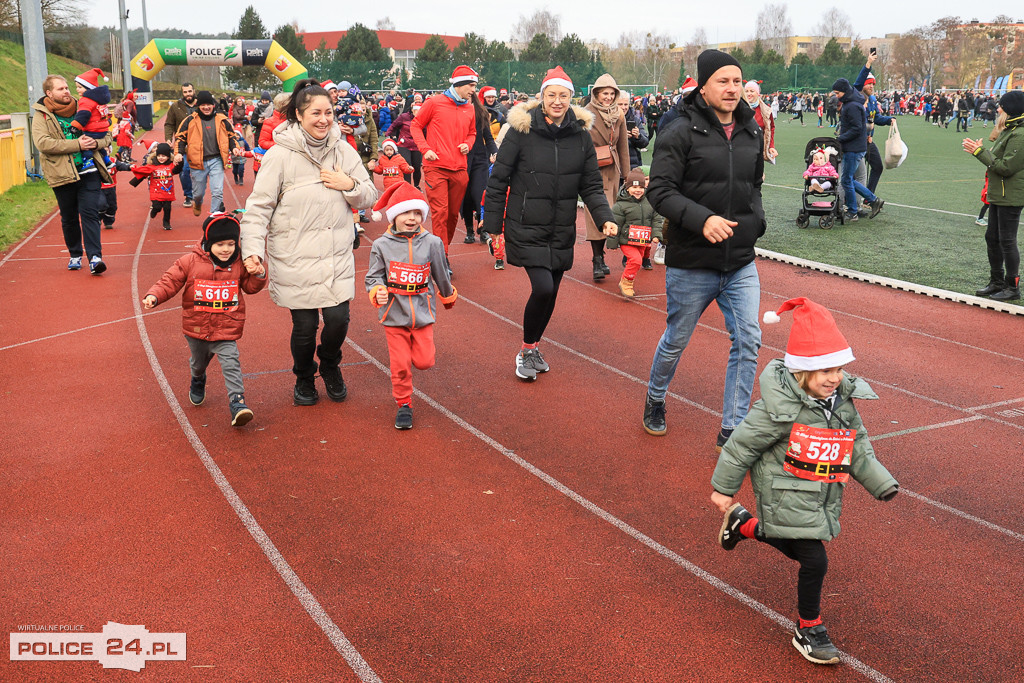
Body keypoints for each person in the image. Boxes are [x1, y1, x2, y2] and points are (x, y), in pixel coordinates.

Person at [711, 297, 898, 665]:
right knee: (815, 561)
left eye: (839, 369)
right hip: (783, 492)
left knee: (791, 542)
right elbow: (742, 445)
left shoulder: (840, 402)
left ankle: (743, 525)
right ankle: (808, 628)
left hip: (819, 493)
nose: (834, 377)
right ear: (802, 371)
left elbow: (856, 444)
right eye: (825, 370)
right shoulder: (778, 409)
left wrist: (880, 482)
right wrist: (723, 487)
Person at [642, 50, 765, 448]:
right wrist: (702, 219)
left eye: (736, 81)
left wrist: (756, 223)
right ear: (703, 85)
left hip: (741, 262)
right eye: (723, 81)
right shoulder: (679, 129)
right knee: (676, 338)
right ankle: (656, 398)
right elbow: (659, 191)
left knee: (748, 339)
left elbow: (755, 186)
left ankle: (733, 429)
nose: (732, 89)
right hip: (693, 261)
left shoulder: (752, 131)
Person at [240, 79, 378, 406]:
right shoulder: (279, 156)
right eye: (315, 112)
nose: (323, 119)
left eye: (328, 112)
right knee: (304, 327)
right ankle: (304, 375)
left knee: (338, 321)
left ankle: (329, 364)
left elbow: (369, 195)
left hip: (335, 255)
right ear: (299, 116)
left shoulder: (343, 150)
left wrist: (349, 185)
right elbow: (258, 207)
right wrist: (252, 251)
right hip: (294, 256)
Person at [481, 66, 618, 381]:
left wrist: (605, 218)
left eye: (563, 95)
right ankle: (527, 350)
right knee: (542, 288)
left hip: (561, 228)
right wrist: (492, 225)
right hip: (526, 224)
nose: (557, 101)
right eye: (551, 95)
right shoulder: (520, 132)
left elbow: (592, 186)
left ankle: (533, 346)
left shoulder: (581, 138)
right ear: (542, 97)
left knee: (552, 291)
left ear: (571, 98)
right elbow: (499, 179)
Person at [143, 212, 268, 426]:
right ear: (208, 243)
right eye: (220, 244)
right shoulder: (189, 261)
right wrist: (154, 295)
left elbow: (250, 287)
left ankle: (237, 403)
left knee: (231, 362)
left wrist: (258, 274)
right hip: (196, 327)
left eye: (231, 243)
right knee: (198, 363)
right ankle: (198, 379)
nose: (226, 249)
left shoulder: (239, 263)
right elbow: (169, 281)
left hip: (226, 326)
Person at [365, 182, 458, 429]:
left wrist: (447, 295)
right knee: (401, 366)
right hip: (394, 317)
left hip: (422, 314)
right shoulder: (381, 246)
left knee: (425, 361)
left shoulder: (432, 243)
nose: (412, 218)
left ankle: (413, 366)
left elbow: (440, 273)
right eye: (406, 212)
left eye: (418, 213)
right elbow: (373, 277)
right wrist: (377, 291)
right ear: (395, 214)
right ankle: (404, 404)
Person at [31, 74, 112, 274]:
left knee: (90, 213)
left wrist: (97, 143)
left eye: (67, 87)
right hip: (61, 174)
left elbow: (107, 133)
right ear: (49, 93)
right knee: (68, 217)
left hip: (89, 170)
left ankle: (95, 257)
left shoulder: (85, 104)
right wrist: (76, 144)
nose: (66, 91)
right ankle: (75, 254)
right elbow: (42, 143)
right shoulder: (42, 115)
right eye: (61, 89)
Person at [411, 65, 479, 255]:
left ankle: (441, 250)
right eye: (471, 85)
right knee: (440, 213)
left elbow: (473, 133)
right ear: (460, 84)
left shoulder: (470, 108)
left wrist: (468, 143)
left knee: (452, 214)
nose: (474, 90)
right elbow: (416, 126)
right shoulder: (434, 102)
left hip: (460, 170)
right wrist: (425, 150)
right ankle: (443, 257)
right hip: (436, 168)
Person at [963, 91, 1024, 301]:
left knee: (1007, 241)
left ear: (1012, 110)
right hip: (999, 193)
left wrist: (979, 152)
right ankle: (996, 282)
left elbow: (1006, 167)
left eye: (1002, 107)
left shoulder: (1020, 135)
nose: (997, 109)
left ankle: (1012, 286)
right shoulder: (1010, 130)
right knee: (992, 237)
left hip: (1011, 196)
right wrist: (982, 149)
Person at [582, 73, 630, 281]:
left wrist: (627, 175)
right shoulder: (585, 114)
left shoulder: (619, 114)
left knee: (610, 213)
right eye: (604, 94)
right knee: (595, 215)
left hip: (612, 169)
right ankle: (597, 259)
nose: (608, 98)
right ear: (596, 94)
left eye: (612, 94)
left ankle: (602, 256)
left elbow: (623, 146)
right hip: (591, 169)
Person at [173, 90, 239, 217]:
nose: (206, 107)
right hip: (197, 162)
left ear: (213, 105)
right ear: (199, 106)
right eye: (203, 105)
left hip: (217, 160)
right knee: (197, 193)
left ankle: (213, 216)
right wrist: (178, 153)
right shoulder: (189, 120)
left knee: (217, 191)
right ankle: (197, 203)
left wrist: (234, 147)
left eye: (209, 104)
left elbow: (232, 136)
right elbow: (180, 138)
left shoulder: (222, 120)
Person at [831, 79, 882, 223]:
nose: (836, 96)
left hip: (853, 147)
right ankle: (870, 201)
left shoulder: (851, 105)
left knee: (846, 180)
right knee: (848, 179)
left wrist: (841, 138)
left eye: (837, 93)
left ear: (844, 91)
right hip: (856, 146)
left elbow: (856, 128)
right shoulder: (852, 102)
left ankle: (856, 209)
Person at [610, 168, 662, 298]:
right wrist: (613, 242)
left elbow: (656, 219)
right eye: (634, 187)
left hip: (642, 241)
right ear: (627, 188)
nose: (638, 190)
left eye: (641, 187)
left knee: (635, 262)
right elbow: (616, 224)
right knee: (636, 260)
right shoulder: (620, 206)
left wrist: (656, 235)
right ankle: (626, 283)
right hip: (626, 240)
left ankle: (627, 281)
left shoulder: (650, 202)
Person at [460, 88, 498, 243]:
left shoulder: (480, 114)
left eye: (469, 97)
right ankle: (469, 230)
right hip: (461, 160)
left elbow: (488, 138)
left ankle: (483, 229)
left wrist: (494, 153)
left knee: (480, 195)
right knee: (466, 197)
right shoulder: (455, 114)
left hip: (480, 161)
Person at [852, 53, 893, 198]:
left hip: (868, 141)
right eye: (869, 83)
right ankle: (853, 202)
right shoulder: (856, 96)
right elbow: (857, 84)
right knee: (857, 175)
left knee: (877, 167)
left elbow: (876, 118)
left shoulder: (873, 99)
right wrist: (868, 63)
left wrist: (889, 120)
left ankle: (868, 198)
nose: (871, 86)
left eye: (873, 84)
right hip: (856, 142)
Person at [130, 142, 181, 230]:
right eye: (159, 156)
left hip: (168, 191)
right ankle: (154, 210)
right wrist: (133, 175)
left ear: (168, 156)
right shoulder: (152, 166)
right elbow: (143, 172)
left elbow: (178, 169)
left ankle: (166, 222)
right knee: (157, 206)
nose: (161, 158)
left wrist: (180, 161)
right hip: (155, 191)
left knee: (167, 208)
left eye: (164, 156)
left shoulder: (171, 166)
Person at [69, 68, 113, 170]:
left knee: (86, 145)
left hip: (92, 130)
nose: (77, 89)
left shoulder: (86, 100)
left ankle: (87, 163)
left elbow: (83, 114)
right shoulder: (99, 100)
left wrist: (75, 126)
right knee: (100, 146)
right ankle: (107, 161)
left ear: (88, 88)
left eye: (80, 87)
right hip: (102, 130)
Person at [164, 83, 198, 208]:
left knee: (200, 171)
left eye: (190, 91)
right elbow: (169, 124)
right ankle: (188, 195)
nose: (188, 94)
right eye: (185, 92)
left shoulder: (202, 105)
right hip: (182, 144)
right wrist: (168, 138)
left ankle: (197, 191)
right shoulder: (175, 107)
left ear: (194, 91)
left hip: (201, 144)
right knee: (184, 170)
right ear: (182, 93)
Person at [388, 102, 423, 186]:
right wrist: (390, 134)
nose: (417, 113)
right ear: (412, 110)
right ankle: (407, 186)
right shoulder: (404, 117)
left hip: (416, 145)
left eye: (419, 111)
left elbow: (426, 132)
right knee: (406, 166)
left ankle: (417, 186)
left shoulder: (423, 119)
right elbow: (394, 125)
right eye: (415, 110)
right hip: (404, 144)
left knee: (417, 167)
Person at [743, 81, 777, 164]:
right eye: (746, 91)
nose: (749, 94)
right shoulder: (739, 108)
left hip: (758, 149)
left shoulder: (766, 111)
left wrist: (771, 146)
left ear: (758, 93)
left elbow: (771, 127)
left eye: (752, 91)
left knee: (758, 174)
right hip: (742, 149)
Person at [619, 91, 649, 170]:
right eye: (620, 104)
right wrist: (620, 136)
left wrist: (638, 136)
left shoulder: (635, 120)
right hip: (615, 165)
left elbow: (645, 142)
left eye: (626, 104)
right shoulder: (609, 120)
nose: (623, 107)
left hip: (632, 164)